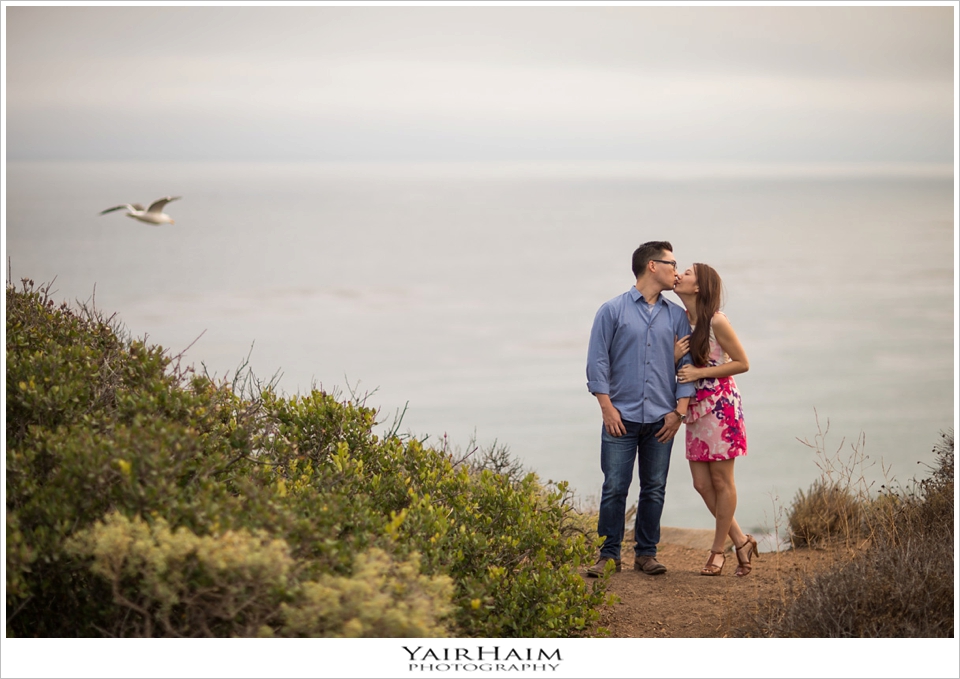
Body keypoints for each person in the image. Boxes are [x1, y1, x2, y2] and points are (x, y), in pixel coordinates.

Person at [585, 241, 695, 577]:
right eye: (672, 263)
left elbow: (687, 367)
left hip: (662, 419)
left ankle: (646, 554)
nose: (677, 270)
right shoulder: (612, 310)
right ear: (652, 265)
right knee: (615, 487)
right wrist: (606, 407)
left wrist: (679, 412)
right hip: (620, 417)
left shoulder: (677, 316)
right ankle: (608, 555)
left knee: (654, 488)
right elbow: (597, 362)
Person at [672, 262, 758, 577]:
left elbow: (742, 363)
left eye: (688, 273)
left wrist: (700, 372)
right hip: (695, 410)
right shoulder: (678, 321)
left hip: (722, 407)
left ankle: (718, 551)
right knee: (700, 483)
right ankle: (741, 540)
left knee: (722, 481)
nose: (679, 274)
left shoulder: (716, 321)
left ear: (699, 287)